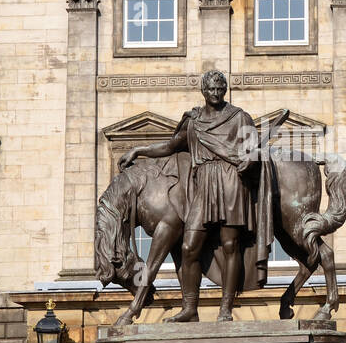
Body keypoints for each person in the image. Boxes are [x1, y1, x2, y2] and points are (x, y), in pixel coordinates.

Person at [117, 70, 276, 321]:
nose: (215, 93)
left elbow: (253, 151)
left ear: (225, 90)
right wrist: (139, 149)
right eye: (211, 89)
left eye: (220, 89)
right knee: (189, 246)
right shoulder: (194, 121)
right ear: (203, 91)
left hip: (231, 181)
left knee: (230, 245)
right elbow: (169, 146)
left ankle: (225, 309)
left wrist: (250, 160)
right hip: (204, 184)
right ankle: (190, 308)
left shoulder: (239, 118)